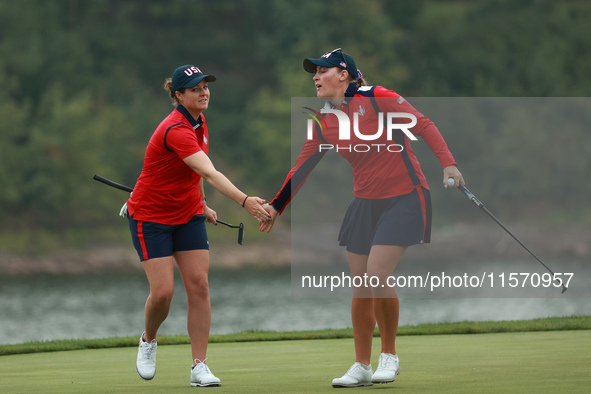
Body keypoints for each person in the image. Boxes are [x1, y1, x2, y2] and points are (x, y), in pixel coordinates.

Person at [260, 49, 464, 388]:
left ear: (344, 74)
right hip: (364, 203)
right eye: (314, 72)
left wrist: (448, 163)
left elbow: (423, 124)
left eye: (322, 70)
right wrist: (275, 206)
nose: (315, 77)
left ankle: (390, 355)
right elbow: (303, 165)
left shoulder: (377, 97)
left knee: (376, 273)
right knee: (361, 283)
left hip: (404, 196)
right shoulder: (325, 118)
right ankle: (361, 364)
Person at [124, 64, 271, 387]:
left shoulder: (200, 121)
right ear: (178, 95)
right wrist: (244, 200)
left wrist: (201, 204)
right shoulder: (175, 128)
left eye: (205, 86)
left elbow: (195, 172)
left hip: (188, 213)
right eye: (194, 89)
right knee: (163, 293)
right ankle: (148, 339)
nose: (203, 92)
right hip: (151, 217)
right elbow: (209, 171)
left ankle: (199, 365)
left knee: (200, 286)